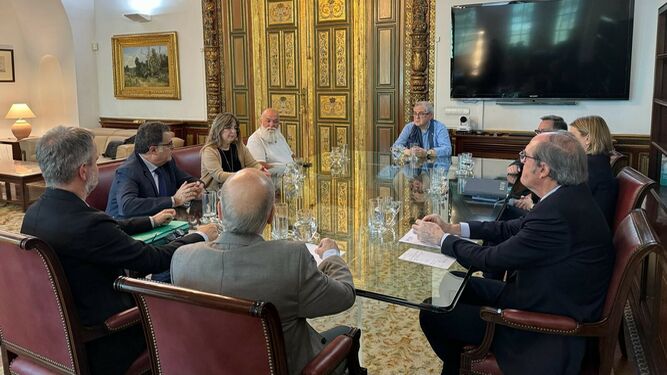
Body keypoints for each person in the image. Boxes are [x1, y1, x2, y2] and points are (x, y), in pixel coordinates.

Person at [412, 131, 614, 375]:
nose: (520, 162)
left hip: (540, 328)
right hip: (540, 294)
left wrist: (441, 239)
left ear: (544, 169)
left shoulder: (558, 214)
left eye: (525, 157)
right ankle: (457, 364)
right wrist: (454, 228)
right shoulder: (566, 197)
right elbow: (509, 227)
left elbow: (489, 259)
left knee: (432, 313)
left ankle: (465, 365)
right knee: (454, 283)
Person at [21, 126, 218, 375]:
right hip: (107, 337)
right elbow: (152, 259)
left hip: (50, 334)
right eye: (94, 161)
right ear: (83, 171)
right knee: (193, 315)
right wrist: (198, 235)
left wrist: (150, 221)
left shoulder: (34, 214)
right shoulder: (90, 226)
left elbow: (107, 225)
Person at [171, 168, 356, 375]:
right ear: (271, 215)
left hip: (211, 366)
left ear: (220, 211)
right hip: (285, 366)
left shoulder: (182, 259)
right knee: (346, 334)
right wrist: (331, 255)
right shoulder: (291, 259)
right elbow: (345, 296)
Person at [106, 121, 202, 219]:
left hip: (162, 224)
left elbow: (188, 180)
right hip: (129, 229)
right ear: (153, 150)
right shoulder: (128, 171)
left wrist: (198, 187)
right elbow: (127, 206)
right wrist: (174, 200)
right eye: (169, 144)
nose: (173, 147)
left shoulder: (167, 162)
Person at [507, 115, 567, 212]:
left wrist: (532, 204)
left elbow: (555, 195)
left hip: (541, 210)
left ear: (557, 134)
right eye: (538, 131)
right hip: (527, 200)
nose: (538, 135)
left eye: (543, 132)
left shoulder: (564, 158)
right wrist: (516, 165)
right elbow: (523, 158)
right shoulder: (539, 146)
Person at [569, 115, 619, 227]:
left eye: (572, 137)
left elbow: (568, 203)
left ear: (588, 139)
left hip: (583, 232)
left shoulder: (590, 165)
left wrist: (533, 206)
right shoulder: (598, 161)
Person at [200, 112, 267, 191]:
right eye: (229, 128)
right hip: (215, 194)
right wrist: (244, 176)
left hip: (237, 190)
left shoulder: (239, 146)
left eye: (235, 128)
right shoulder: (209, 151)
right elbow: (219, 176)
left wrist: (262, 170)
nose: (233, 131)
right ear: (218, 129)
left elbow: (253, 164)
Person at [246, 107, 295, 177]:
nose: (271, 125)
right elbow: (259, 166)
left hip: (290, 175)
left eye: (275, 122)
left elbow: (291, 155)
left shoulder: (278, 135)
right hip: (272, 178)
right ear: (261, 121)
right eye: (268, 121)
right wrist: (284, 168)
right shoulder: (255, 139)